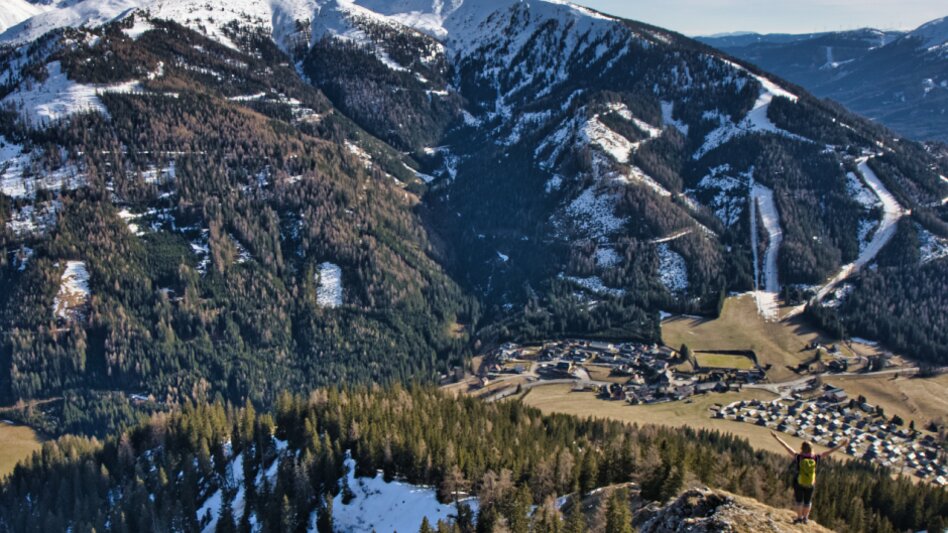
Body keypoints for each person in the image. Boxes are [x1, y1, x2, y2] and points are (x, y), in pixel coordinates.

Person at [771, 431, 848, 524]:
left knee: (799, 501)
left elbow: (786, 447)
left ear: (802, 448)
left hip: (799, 482)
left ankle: (799, 518)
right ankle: (805, 518)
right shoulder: (815, 458)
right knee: (807, 501)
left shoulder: (798, 457)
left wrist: (776, 437)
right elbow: (829, 452)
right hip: (810, 483)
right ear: (811, 449)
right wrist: (841, 445)